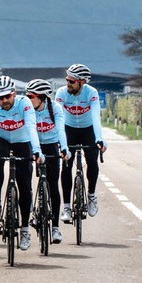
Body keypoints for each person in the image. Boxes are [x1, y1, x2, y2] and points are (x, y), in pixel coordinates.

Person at [0, 75, 42, 251]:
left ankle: (24, 229)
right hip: (1, 138)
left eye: (8, 96)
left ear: (14, 93)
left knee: (24, 185)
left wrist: (36, 149)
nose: (5, 100)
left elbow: (31, 126)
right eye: (0, 97)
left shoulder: (24, 103)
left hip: (22, 141)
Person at [55, 64, 108, 222]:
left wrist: (99, 138)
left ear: (82, 82)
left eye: (72, 81)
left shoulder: (91, 93)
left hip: (87, 130)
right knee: (66, 165)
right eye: (67, 80)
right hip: (68, 130)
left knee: (92, 160)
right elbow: (57, 117)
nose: (68, 83)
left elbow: (95, 116)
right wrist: (59, 140)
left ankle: (91, 195)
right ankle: (66, 206)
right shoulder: (61, 93)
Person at [25, 79, 70, 243]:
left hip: (51, 145)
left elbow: (60, 129)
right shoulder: (28, 108)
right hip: (32, 144)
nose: (28, 98)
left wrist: (64, 148)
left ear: (42, 97)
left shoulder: (55, 108)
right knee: (26, 175)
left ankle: (56, 228)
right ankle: (29, 204)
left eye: (31, 96)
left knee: (52, 185)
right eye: (27, 95)